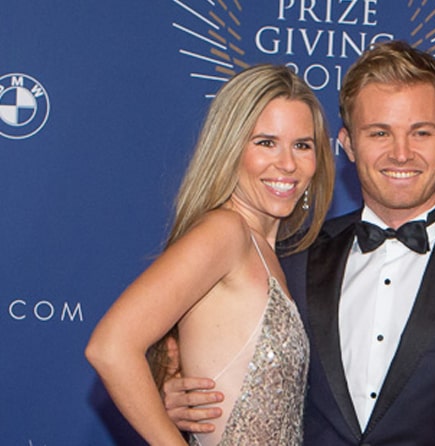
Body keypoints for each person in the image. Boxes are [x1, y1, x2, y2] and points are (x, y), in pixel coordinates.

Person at [165, 41, 435, 445]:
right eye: (380, 133)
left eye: (421, 133)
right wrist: (174, 396)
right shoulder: (292, 256)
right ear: (348, 143)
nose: (401, 154)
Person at [85, 64, 334, 445]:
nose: (287, 163)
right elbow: (110, 347)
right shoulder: (226, 232)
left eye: (302, 145)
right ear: (230, 147)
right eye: (266, 142)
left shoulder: (264, 250)